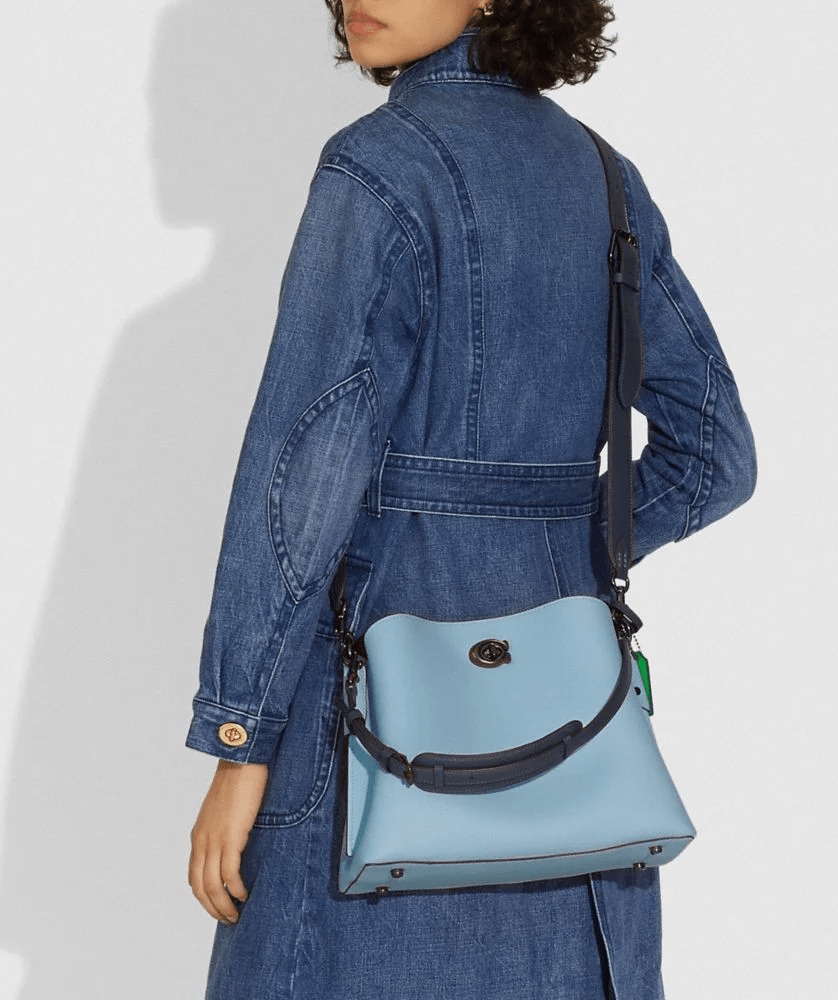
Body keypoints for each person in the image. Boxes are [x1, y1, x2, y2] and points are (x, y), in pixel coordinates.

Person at [185, 1, 757, 997]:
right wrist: (556, 552)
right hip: (574, 736)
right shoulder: (604, 178)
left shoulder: (377, 165)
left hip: (373, 725)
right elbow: (713, 455)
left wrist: (240, 739)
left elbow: (304, 475)